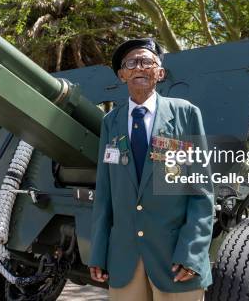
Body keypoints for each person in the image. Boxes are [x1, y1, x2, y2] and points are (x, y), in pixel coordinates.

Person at [89, 38, 214, 301]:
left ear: (160, 72)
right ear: (122, 75)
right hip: (125, 261)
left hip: (176, 261)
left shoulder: (186, 114)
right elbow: (104, 195)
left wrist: (192, 253)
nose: (139, 67)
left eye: (147, 61)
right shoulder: (110, 122)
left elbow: (201, 193)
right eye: (131, 63)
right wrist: (98, 253)